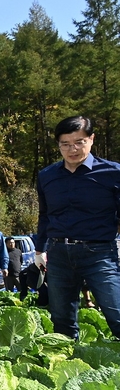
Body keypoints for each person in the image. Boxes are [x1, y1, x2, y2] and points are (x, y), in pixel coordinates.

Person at [35, 116, 120, 340]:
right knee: (61, 318)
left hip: (99, 253)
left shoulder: (113, 173)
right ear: (58, 145)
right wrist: (38, 250)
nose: (72, 149)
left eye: (79, 142)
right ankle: (70, 366)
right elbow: (45, 215)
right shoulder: (46, 176)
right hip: (59, 254)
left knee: (116, 312)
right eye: (65, 144)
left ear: (91, 139)